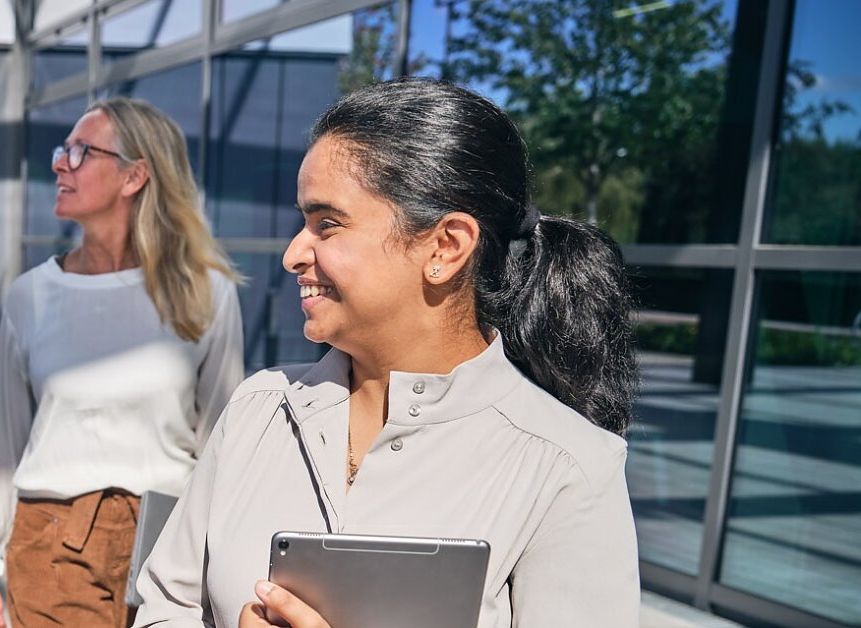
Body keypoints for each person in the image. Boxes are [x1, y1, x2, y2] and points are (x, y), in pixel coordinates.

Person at [131, 77, 641, 628]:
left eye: (327, 224)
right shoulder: (259, 407)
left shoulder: (569, 467)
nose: (292, 254)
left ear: (445, 247)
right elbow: (165, 607)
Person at [0, 97, 246, 628]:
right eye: (62, 150)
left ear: (135, 175)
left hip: (171, 538)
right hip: (53, 539)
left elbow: (222, 439)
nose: (58, 163)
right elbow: (4, 440)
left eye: (80, 151)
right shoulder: (32, 295)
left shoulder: (209, 293)